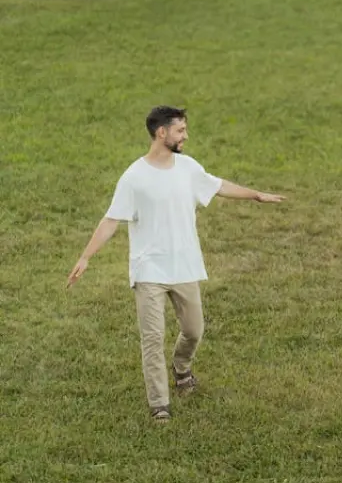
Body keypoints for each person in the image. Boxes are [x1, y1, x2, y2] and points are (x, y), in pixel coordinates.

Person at [67, 106, 286, 423]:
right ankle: (160, 405)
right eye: (181, 130)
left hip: (184, 265)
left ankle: (181, 369)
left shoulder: (188, 168)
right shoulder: (134, 178)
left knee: (194, 331)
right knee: (153, 339)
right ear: (162, 133)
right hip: (149, 270)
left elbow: (218, 185)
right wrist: (86, 257)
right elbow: (112, 219)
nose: (186, 136)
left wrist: (255, 196)